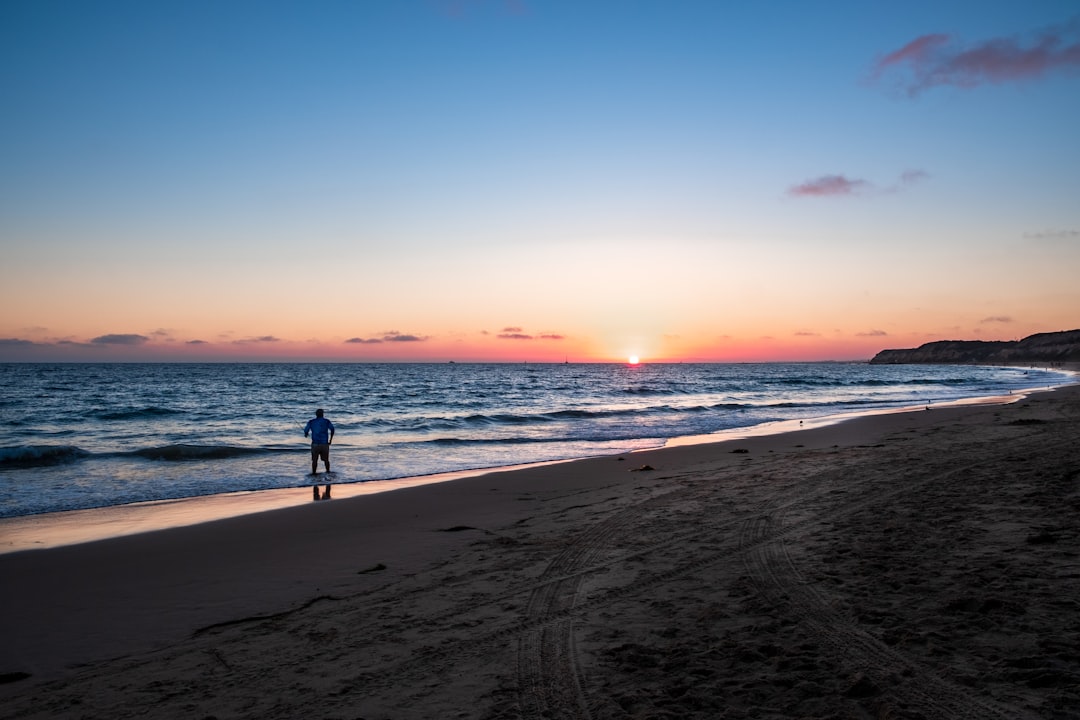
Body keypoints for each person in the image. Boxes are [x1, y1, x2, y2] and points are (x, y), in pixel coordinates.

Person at [304, 408, 335, 499]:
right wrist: (330, 440)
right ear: (323, 414)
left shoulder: (311, 422)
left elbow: (306, 430)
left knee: (314, 461)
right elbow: (332, 430)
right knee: (326, 460)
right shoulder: (327, 421)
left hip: (315, 444)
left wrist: (306, 434)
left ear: (316, 414)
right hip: (325, 444)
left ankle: (314, 475)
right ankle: (328, 473)